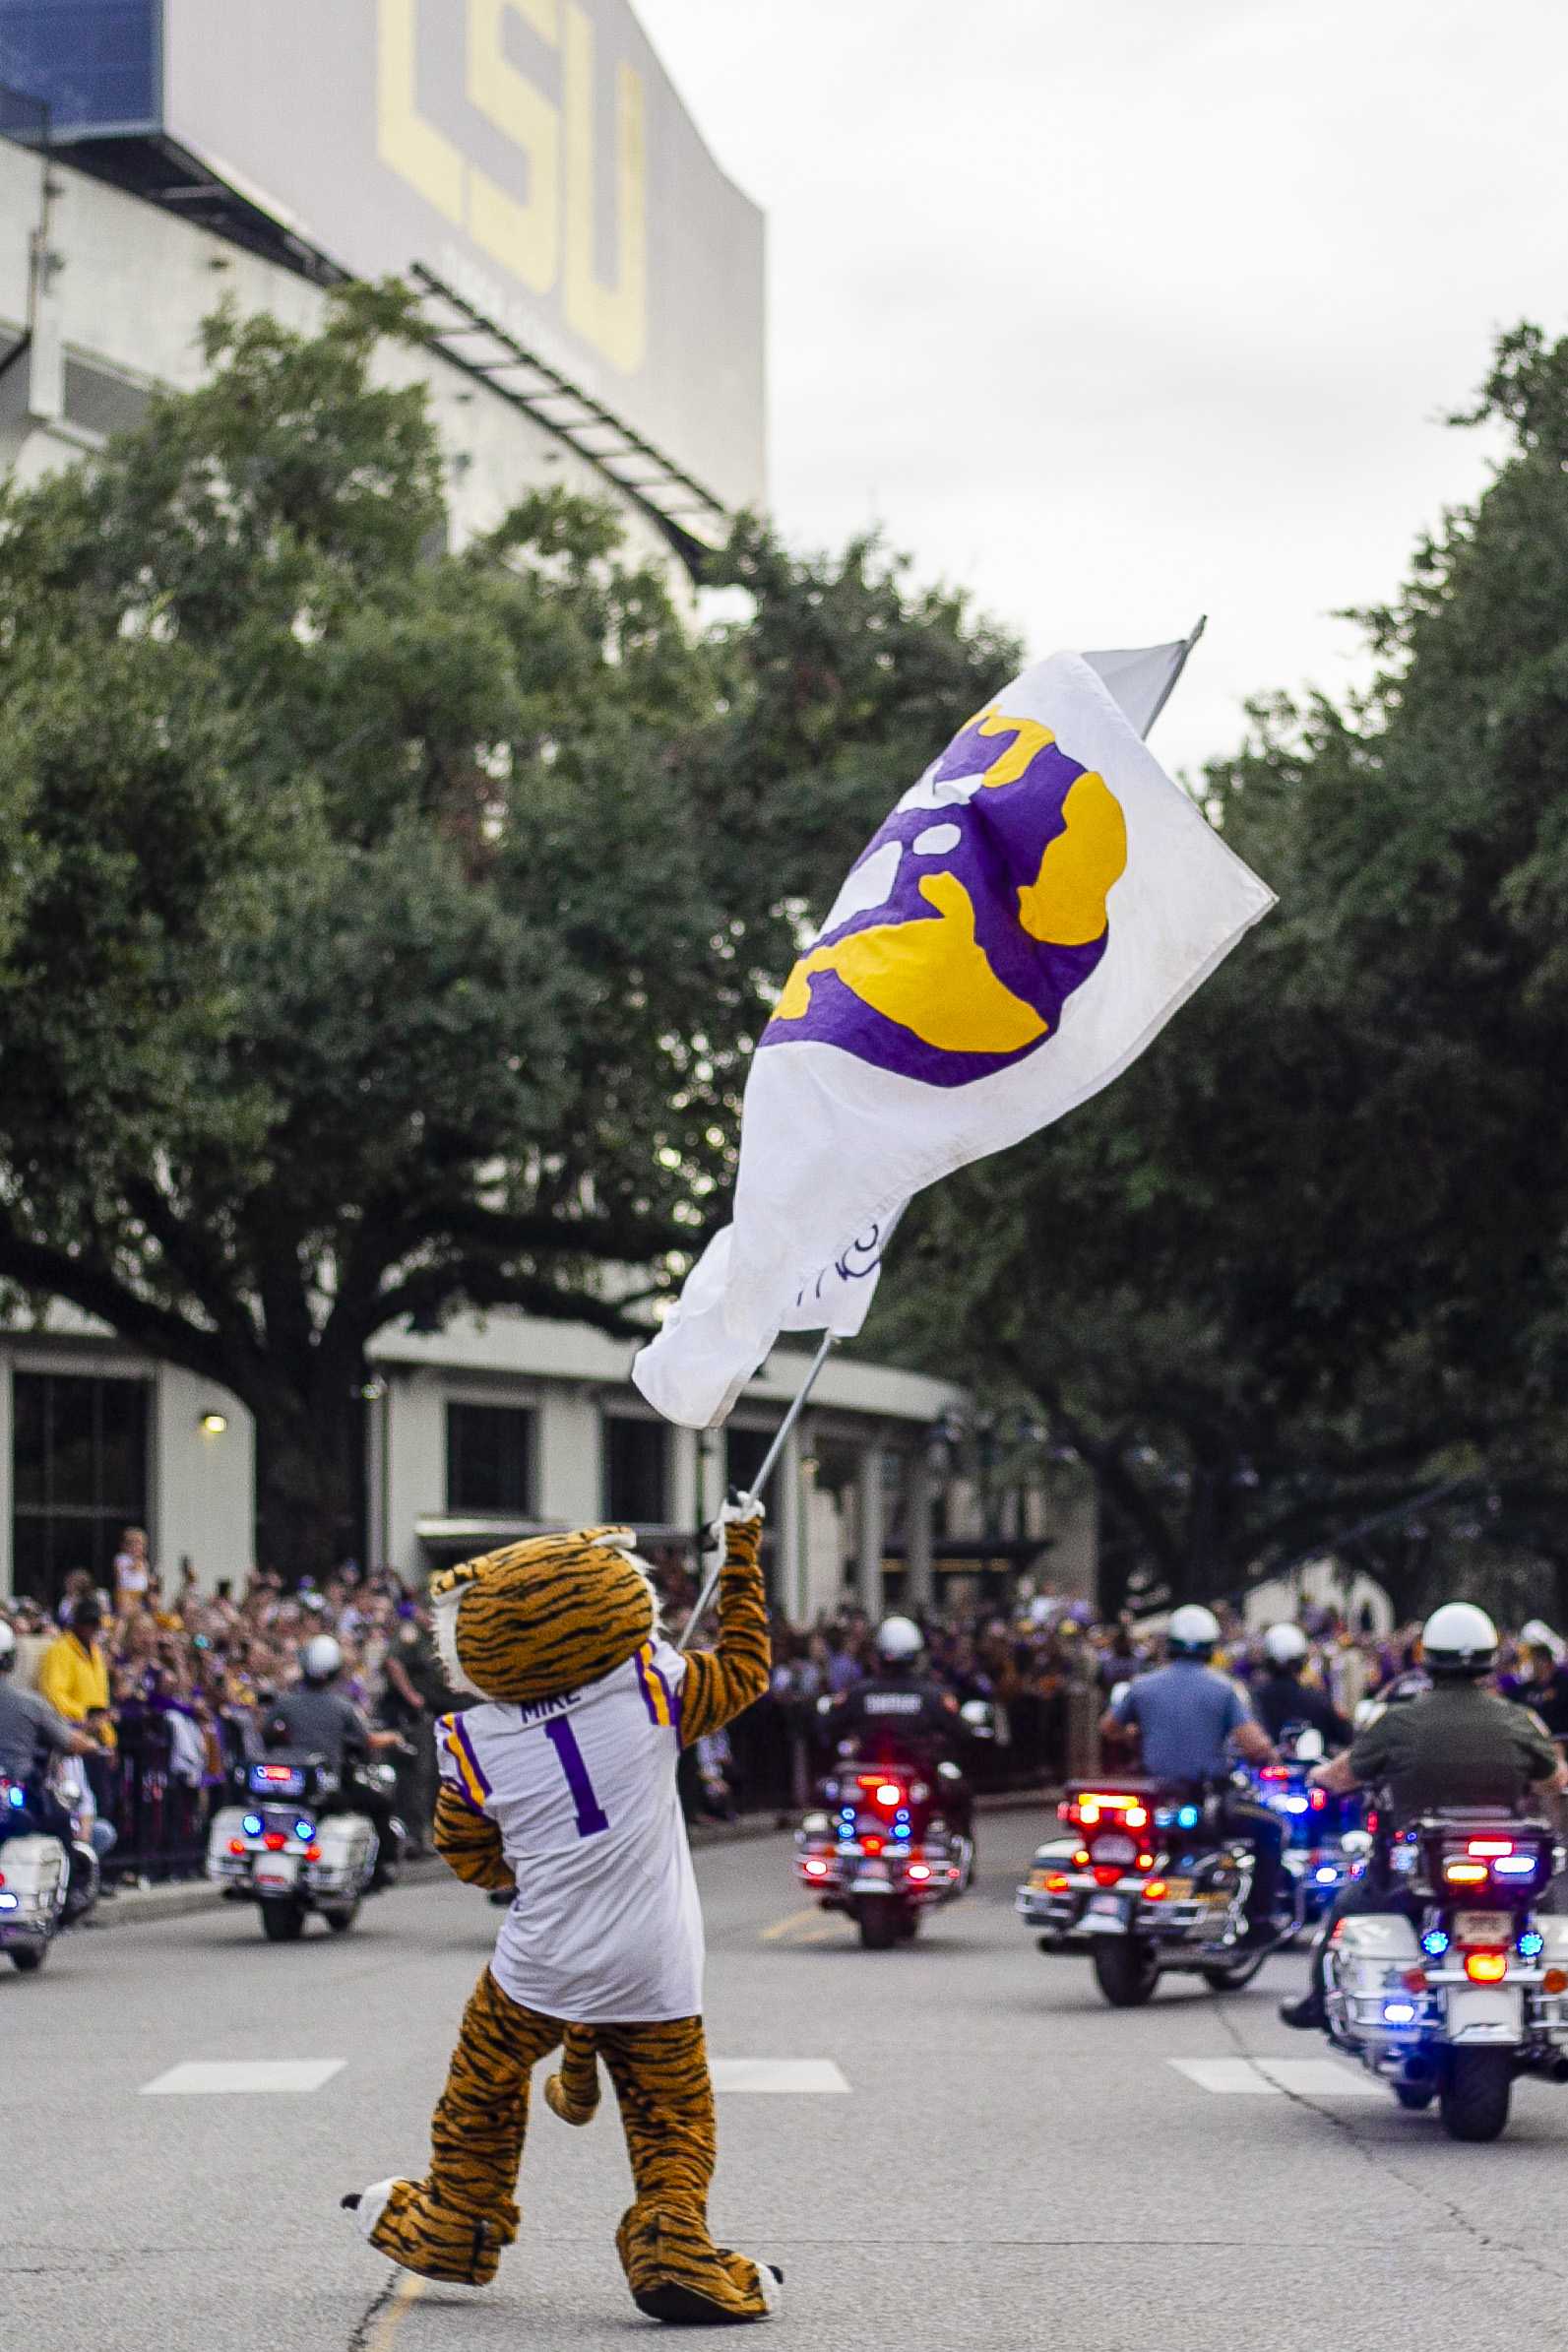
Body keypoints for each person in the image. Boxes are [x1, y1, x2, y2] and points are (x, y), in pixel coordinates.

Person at [1281, 1600, 1568, 2029]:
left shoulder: (1399, 1721)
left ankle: (1318, 2003)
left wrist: (1316, 1775)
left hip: (1417, 1868)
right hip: (1510, 1873)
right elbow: (1555, 1783)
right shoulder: (1518, 1720)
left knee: (1345, 1906)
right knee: (1552, 1911)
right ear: (1491, 1659)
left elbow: (1340, 1777)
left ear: (1426, 1657)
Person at [1102, 1602, 1285, 1948]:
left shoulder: (1141, 1686)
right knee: (1271, 1828)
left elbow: (1109, 1727)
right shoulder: (1222, 1689)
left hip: (1154, 1797)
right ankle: (1261, 1920)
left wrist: (1136, 1734)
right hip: (1202, 1798)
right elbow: (1255, 1746)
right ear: (1210, 1646)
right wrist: (1270, 1755)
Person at [266, 1633, 402, 1886]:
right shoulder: (342, 1706)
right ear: (335, 1670)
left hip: (286, 1788)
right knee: (380, 1804)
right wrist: (393, 1738)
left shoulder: (285, 1703)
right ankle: (381, 1867)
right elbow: (365, 1741)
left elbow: (266, 1733)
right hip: (327, 1788)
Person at [828, 1616, 976, 1837]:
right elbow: (960, 1731)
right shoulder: (933, 1694)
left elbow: (828, 1724)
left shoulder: (858, 1693)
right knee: (958, 1794)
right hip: (916, 1777)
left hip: (872, 1774)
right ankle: (959, 1845)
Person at [0, 1620, 105, 1864]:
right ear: (10, 1659)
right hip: (19, 1792)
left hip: (12, 1795)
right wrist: (92, 1744)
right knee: (61, 1822)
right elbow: (70, 1742)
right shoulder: (30, 1704)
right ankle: (69, 1893)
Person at [1253, 1622, 1352, 1748]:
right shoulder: (1319, 1700)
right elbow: (1346, 1736)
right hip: (1313, 1766)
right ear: (1302, 1661)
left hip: (1269, 1766)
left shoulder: (1253, 1699)